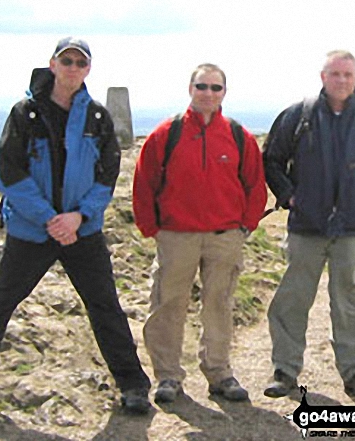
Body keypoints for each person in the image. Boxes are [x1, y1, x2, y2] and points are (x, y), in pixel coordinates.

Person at [0, 37, 152, 415]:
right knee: (1, 305)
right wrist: (49, 218)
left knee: (105, 306)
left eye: (80, 63)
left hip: (82, 230)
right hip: (33, 230)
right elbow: (8, 172)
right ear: (52, 64)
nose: (72, 68)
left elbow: (107, 176)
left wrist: (78, 217)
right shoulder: (25, 113)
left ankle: (133, 385)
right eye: (66, 60)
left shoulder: (97, 117)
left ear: (88, 70)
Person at [262, 50, 355, 402]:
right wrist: (289, 197)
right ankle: (284, 370)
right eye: (336, 74)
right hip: (306, 227)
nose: (342, 80)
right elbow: (272, 160)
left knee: (349, 300)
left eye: (348, 74)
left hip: (353, 230)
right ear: (323, 76)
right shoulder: (298, 115)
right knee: (293, 298)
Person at [132, 63, 267, 403]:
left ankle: (220, 373)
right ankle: (167, 376)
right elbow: (144, 182)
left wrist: (245, 226)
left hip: (225, 237)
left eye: (215, 88)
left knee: (219, 304)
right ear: (190, 89)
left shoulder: (239, 136)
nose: (208, 93)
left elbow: (255, 184)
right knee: (167, 304)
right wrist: (152, 228)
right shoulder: (167, 134)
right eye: (202, 86)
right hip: (177, 236)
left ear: (224, 92)